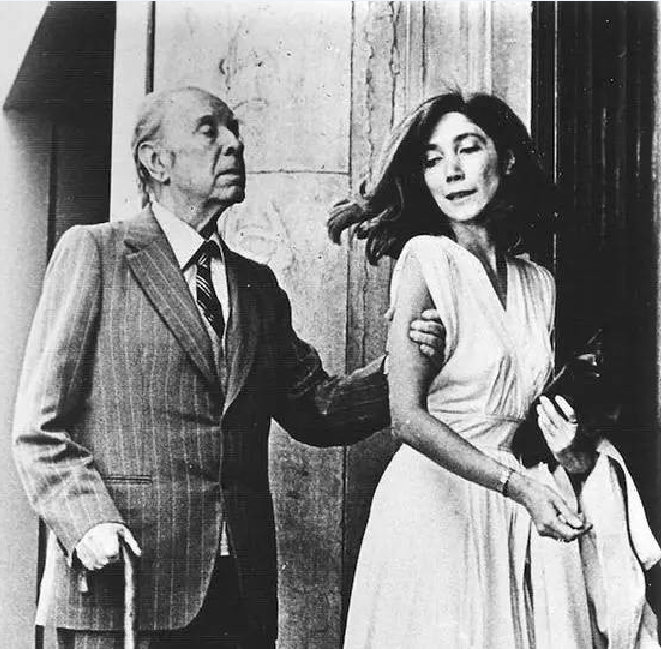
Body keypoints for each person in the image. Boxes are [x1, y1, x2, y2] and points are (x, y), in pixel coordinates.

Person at [12, 86, 446, 649]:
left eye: (235, 130)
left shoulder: (256, 285)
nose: (234, 144)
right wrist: (87, 519)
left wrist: (405, 363)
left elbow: (317, 410)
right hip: (125, 583)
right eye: (209, 129)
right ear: (156, 161)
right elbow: (40, 431)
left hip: (237, 589)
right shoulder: (97, 253)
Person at [328, 92, 660, 648]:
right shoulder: (426, 259)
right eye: (433, 159)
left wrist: (570, 453)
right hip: (438, 507)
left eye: (468, 148)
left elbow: (526, 411)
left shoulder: (538, 284)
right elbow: (406, 418)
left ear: (505, 159)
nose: (452, 171)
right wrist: (516, 487)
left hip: (517, 515)